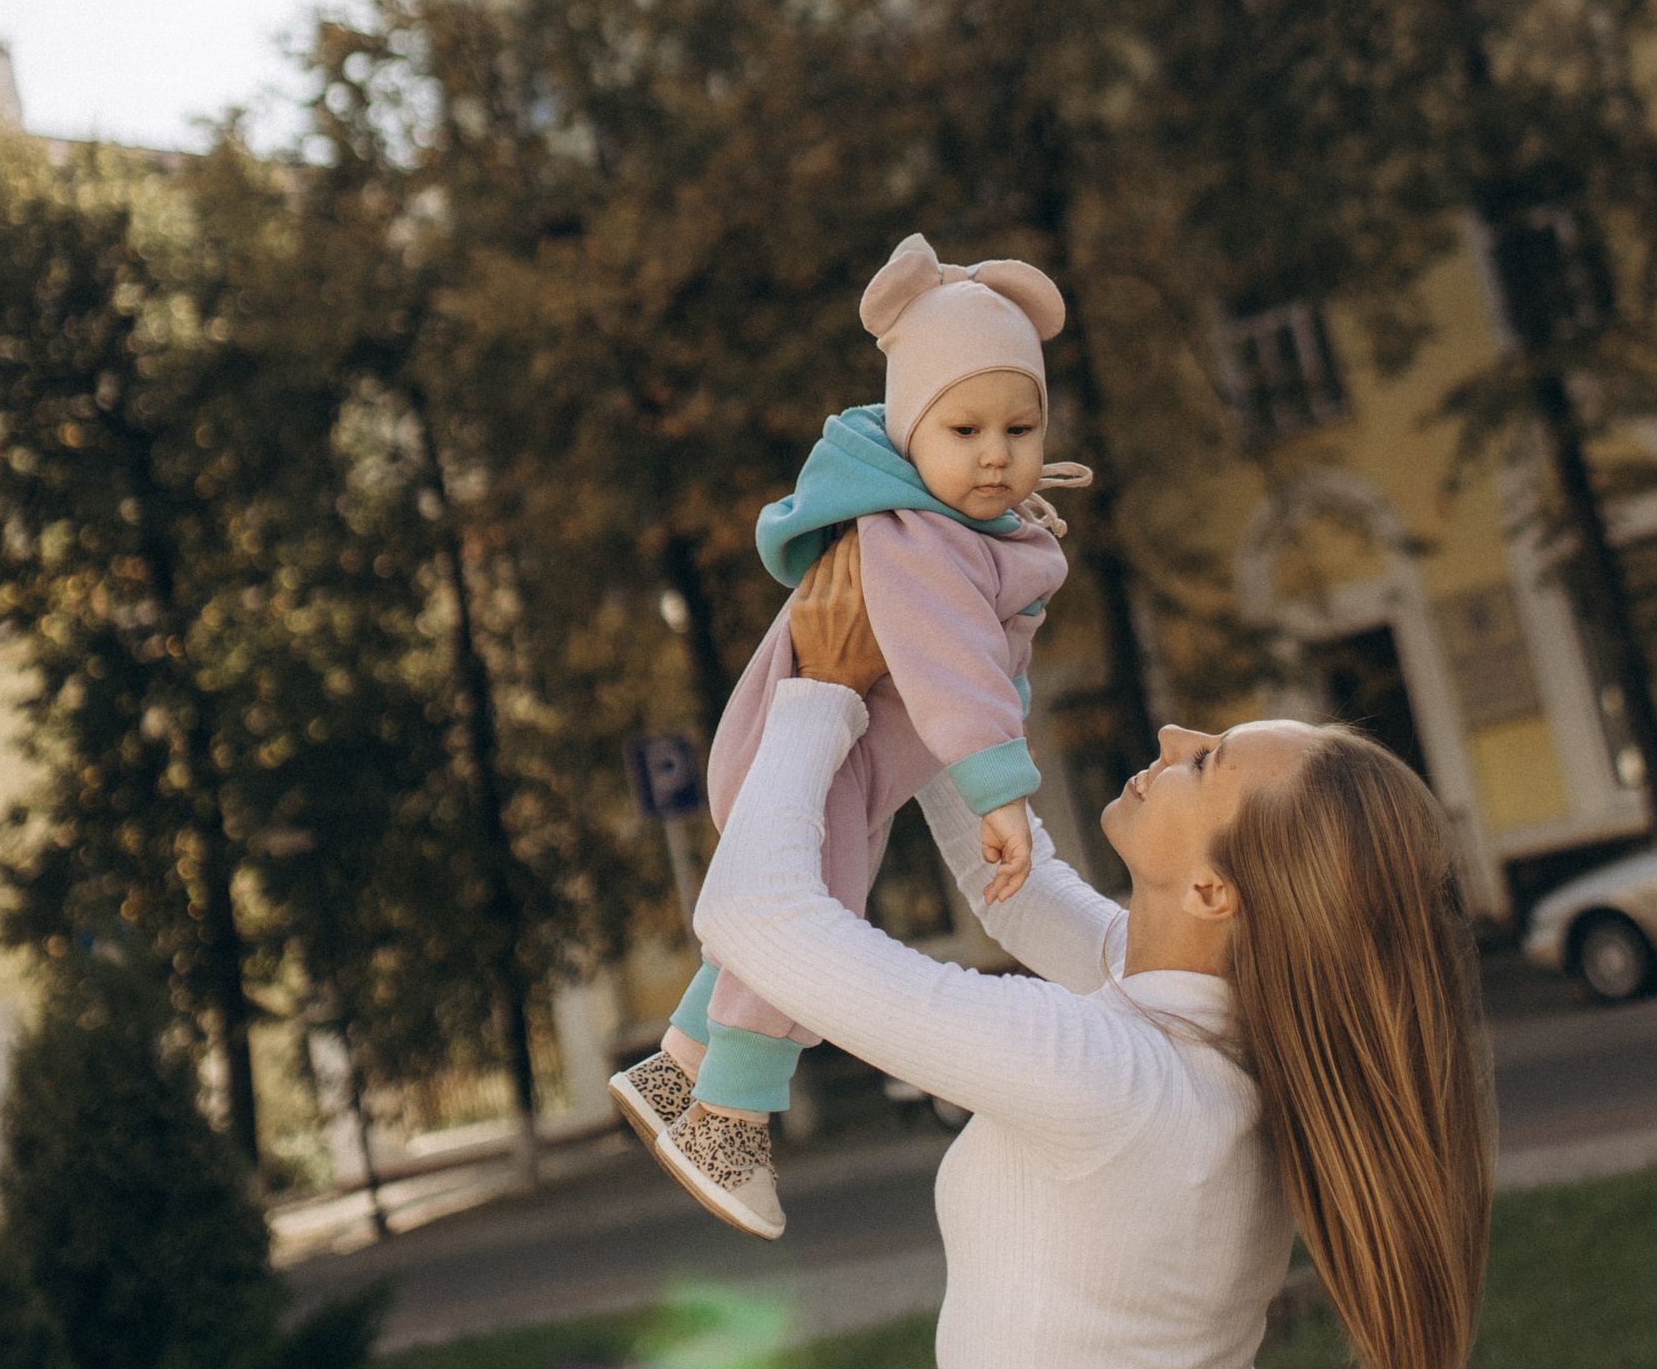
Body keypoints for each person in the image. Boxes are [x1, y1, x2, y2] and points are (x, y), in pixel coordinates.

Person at [688, 530, 1495, 1369]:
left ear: (1214, 893)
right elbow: (1016, 892)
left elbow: (756, 913)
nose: (1175, 734)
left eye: (1207, 762)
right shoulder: (1212, 1044)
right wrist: (927, 642)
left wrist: (821, 692)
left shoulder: (1115, 1077)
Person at [609, 232, 1089, 1237]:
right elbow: (955, 663)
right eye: (964, 428)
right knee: (810, 921)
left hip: (852, 763)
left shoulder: (974, 530)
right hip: (821, 751)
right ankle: (729, 1119)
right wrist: (1002, 788)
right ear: (912, 431)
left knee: (813, 908)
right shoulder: (911, 534)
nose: (997, 452)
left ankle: (677, 1071)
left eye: (1021, 425)